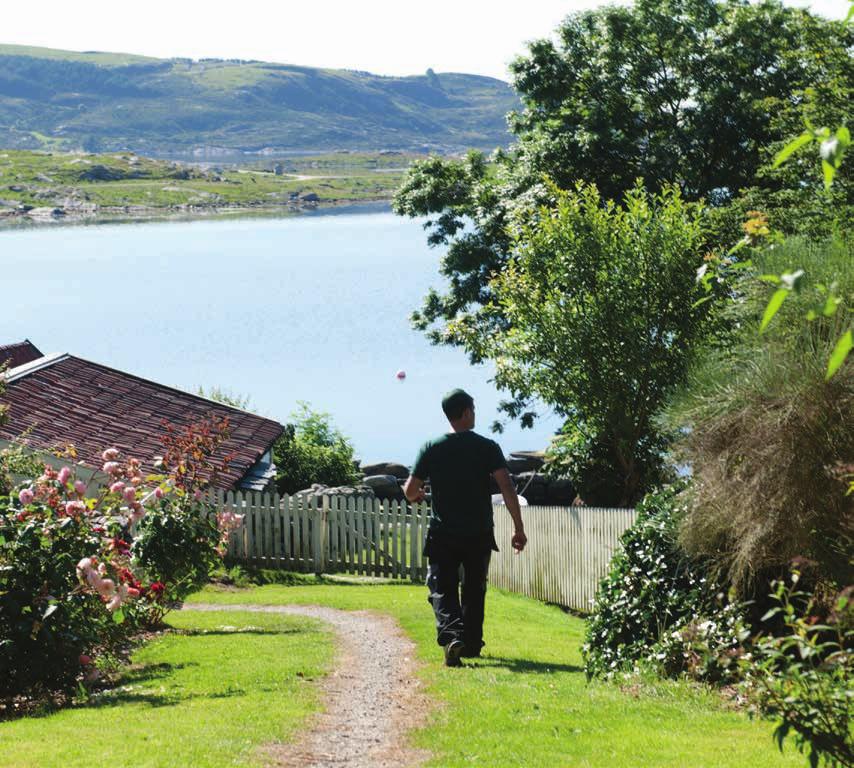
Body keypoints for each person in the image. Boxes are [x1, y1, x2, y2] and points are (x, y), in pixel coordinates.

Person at [403, 388, 527, 667]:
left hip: (443, 533)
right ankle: (470, 643)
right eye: (473, 409)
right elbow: (507, 486)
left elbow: (411, 491)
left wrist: (419, 494)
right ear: (467, 411)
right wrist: (518, 527)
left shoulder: (432, 447)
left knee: (442, 587)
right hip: (479, 532)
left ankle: (451, 637)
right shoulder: (487, 447)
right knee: (474, 589)